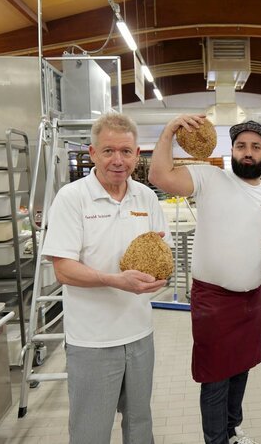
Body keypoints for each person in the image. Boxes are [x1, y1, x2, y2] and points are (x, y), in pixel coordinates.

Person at [149, 115, 261, 444]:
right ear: (232, 151)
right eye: (241, 146)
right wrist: (169, 130)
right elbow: (159, 175)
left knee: (242, 369)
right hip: (213, 299)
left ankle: (232, 431)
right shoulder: (210, 178)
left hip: (251, 300)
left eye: (255, 146)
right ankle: (216, 440)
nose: (248, 152)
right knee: (215, 377)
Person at [42, 111, 171, 444]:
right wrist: (117, 280)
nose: (118, 160)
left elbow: (162, 254)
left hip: (140, 333)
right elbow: (63, 269)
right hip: (93, 340)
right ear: (93, 153)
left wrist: (160, 277)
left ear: (136, 154)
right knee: (91, 431)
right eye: (109, 151)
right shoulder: (72, 198)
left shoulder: (145, 197)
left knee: (140, 424)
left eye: (126, 152)